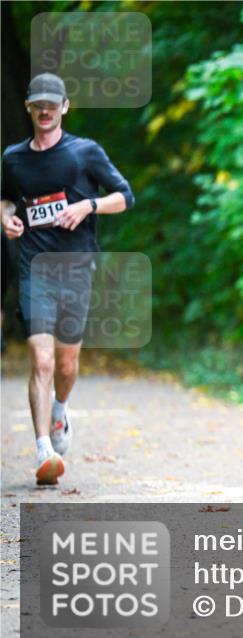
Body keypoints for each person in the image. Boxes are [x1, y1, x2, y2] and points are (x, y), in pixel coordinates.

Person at [1, 73, 135, 485]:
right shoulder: (13, 158)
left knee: (65, 363)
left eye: (52, 103)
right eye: (37, 103)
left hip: (76, 266)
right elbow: (6, 200)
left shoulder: (85, 153)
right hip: (34, 268)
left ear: (64, 106)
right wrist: (7, 218)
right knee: (40, 359)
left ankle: (60, 410)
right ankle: (43, 450)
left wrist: (89, 206)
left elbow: (125, 196)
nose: (44, 110)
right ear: (29, 107)